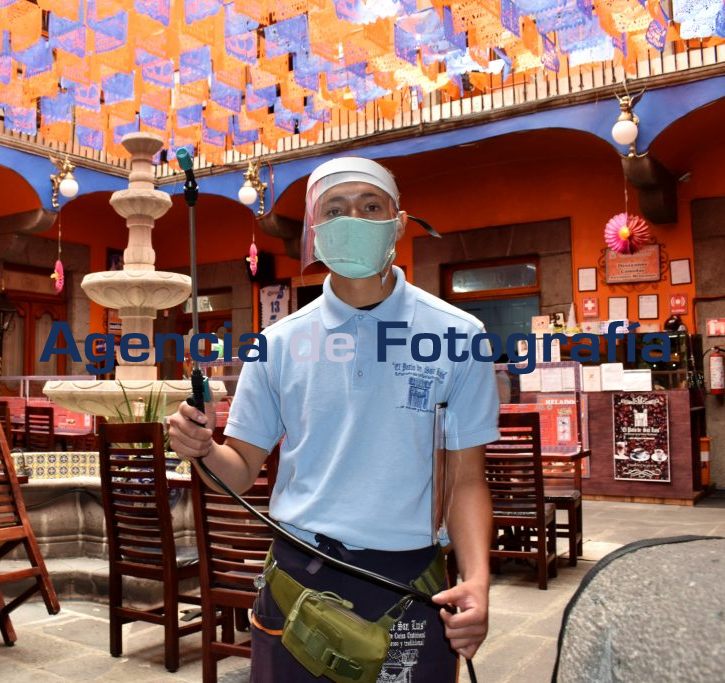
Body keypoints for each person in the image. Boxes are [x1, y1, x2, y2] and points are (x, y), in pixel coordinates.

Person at [167, 156, 499, 682]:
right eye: (335, 209)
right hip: (299, 578)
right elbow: (240, 469)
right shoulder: (276, 344)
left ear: (398, 220)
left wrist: (477, 580)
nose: (355, 219)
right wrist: (204, 448)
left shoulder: (458, 334)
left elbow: (466, 480)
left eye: (371, 206)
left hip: (409, 583)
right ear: (316, 231)